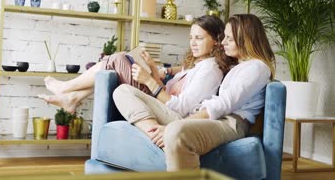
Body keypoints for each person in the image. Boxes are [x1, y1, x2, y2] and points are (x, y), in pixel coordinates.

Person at [115, 13, 275, 172]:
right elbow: (192, 70)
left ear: (246, 40)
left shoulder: (257, 68)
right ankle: (158, 138)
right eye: (224, 37)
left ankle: (165, 138)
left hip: (230, 123)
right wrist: (161, 71)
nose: (223, 42)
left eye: (229, 39)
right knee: (122, 91)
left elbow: (224, 104)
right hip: (213, 118)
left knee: (175, 131)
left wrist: (179, 123)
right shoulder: (239, 66)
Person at [39, 15, 234, 114]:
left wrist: (149, 80)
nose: (192, 43)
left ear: (217, 40)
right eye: (191, 37)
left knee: (117, 59)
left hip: (164, 110)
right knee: (121, 58)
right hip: (158, 99)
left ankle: (66, 89)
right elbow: (167, 88)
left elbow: (180, 107)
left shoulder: (210, 70)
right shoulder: (198, 64)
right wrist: (153, 68)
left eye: (199, 38)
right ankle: (72, 98)